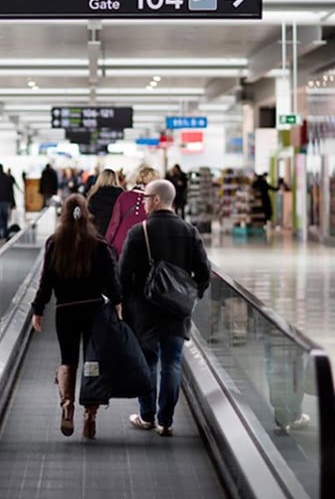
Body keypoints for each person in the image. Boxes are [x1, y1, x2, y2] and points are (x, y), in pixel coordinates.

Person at [119, 179, 210, 437]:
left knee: (147, 360)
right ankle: (166, 421)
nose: (143, 201)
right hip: (177, 311)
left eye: (146, 197)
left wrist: (125, 305)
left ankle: (146, 416)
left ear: (156, 199)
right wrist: (192, 295)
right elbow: (204, 272)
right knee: (172, 362)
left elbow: (123, 275)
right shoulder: (189, 231)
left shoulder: (139, 232)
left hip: (145, 311)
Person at [31, 194, 122, 439]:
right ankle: (90, 414)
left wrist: (38, 310)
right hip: (94, 310)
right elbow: (111, 279)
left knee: (67, 360)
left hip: (65, 311)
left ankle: (67, 404)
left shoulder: (54, 243)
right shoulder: (99, 244)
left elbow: (45, 282)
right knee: (92, 361)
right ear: (87, 212)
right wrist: (117, 303)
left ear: (63, 213)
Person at [105, 166, 161, 256]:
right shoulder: (155, 200)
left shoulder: (124, 196)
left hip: (121, 244)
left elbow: (114, 224)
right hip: (143, 246)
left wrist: (107, 243)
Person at [87, 169, 124, 237]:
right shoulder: (122, 196)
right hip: (116, 234)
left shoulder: (94, 196)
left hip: (99, 234)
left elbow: (90, 216)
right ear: (116, 179)